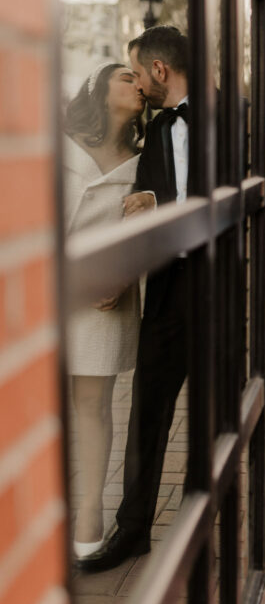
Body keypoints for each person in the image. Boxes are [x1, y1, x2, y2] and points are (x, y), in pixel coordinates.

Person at [79, 25, 191, 573]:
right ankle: (132, 531)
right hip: (166, 292)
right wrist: (120, 279)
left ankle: (200, 531)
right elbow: (142, 214)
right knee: (148, 413)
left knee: (219, 418)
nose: (140, 85)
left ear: (159, 70)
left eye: (138, 71)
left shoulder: (237, 117)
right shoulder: (159, 134)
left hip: (221, 292)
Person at [64, 62, 144, 557]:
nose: (138, 84)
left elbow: (148, 227)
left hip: (103, 304)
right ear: (98, 89)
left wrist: (124, 274)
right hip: (46, 291)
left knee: (91, 407)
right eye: (126, 77)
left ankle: (89, 507)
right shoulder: (60, 147)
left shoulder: (144, 161)